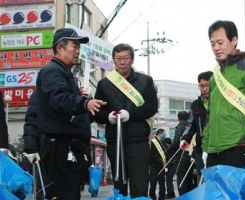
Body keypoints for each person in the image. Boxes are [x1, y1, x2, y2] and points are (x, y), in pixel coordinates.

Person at [35, 27, 107, 200]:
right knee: (62, 195)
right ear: (59, 49)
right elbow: (60, 100)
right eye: (74, 46)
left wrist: (92, 109)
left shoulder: (65, 74)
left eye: (79, 47)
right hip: (59, 149)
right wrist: (84, 103)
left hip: (69, 148)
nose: (78, 51)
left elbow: (73, 112)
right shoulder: (53, 71)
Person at [201, 20, 245, 168]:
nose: (216, 48)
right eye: (213, 44)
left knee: (237, 191)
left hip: (239, 145)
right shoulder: (214, 77)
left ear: (234, 40)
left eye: (220, 42)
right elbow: (210, 114)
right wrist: (205, 146)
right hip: (214, 149)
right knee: (216, 191)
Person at [93, 43, 158, 198]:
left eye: (126, 58)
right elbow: (96, 111)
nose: (122, 62)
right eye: (118, 58)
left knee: (139, 184)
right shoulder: (104, 84)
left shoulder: (146, 81)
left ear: (132, 60)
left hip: (138, 141)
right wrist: (108, 117)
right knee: (119, 184)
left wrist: (131, 114)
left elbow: (152, 107)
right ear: (113, 61)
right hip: (115, 141)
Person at [180, 71, 213, 183]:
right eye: (201, 86)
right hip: (200, 150)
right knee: (202, 182)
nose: (204, 89)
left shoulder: (220, 102)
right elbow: (190, 124)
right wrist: (185, 139)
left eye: (207, 85)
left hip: (218, 149)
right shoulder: (195, 105)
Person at [165, 111, 194, 196]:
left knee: (181, 182)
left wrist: (166, 152)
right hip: (190, 156)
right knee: (189, 181)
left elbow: (176, 142)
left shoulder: (180, 127)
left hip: (181, 157)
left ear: (178, 119)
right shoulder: (191, 127)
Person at [149, 128, 167, 200]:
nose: (164, 135)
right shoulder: (153, 142)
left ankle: (162, 197)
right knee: (153, 183)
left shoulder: (163, 143)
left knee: (162, 183)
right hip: (154, 165)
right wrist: (159, 160)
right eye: (163, 134)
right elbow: (151, 154)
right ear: (160, 133)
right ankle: (152, 197)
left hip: (161, 166)